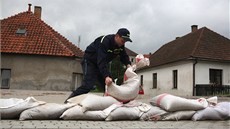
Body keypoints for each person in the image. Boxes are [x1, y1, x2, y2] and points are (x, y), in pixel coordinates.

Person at [64, 28, 132, 103]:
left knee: (110, 85)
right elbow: (101, 60)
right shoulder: (105, 41)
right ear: (117, 36)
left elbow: (124, 56)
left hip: (100, 64)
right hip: (89, 61)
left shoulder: (120, 46)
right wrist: (106, 76)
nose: (123, 43)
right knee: (88, 85)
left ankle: (108, 103)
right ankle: (68, 102)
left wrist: (128, 65)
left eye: (125, 42)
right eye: (123, 40)